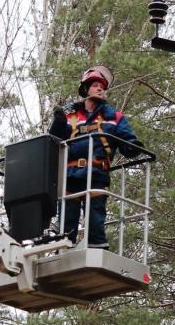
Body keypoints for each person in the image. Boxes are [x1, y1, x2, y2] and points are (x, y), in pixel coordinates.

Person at [49, 65, 142, 249]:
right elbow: (53, 141)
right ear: (85, 89)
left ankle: (97, 250)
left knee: (95, 221)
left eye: (102, 86)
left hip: (97, 174)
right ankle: (64, 251)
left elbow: (128, 141)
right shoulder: (70, 116)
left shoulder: (114, 117)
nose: (100, 88)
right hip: (70, 174)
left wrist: (133, 147)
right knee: (66, 225)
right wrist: (58, 122)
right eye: (95, 85)